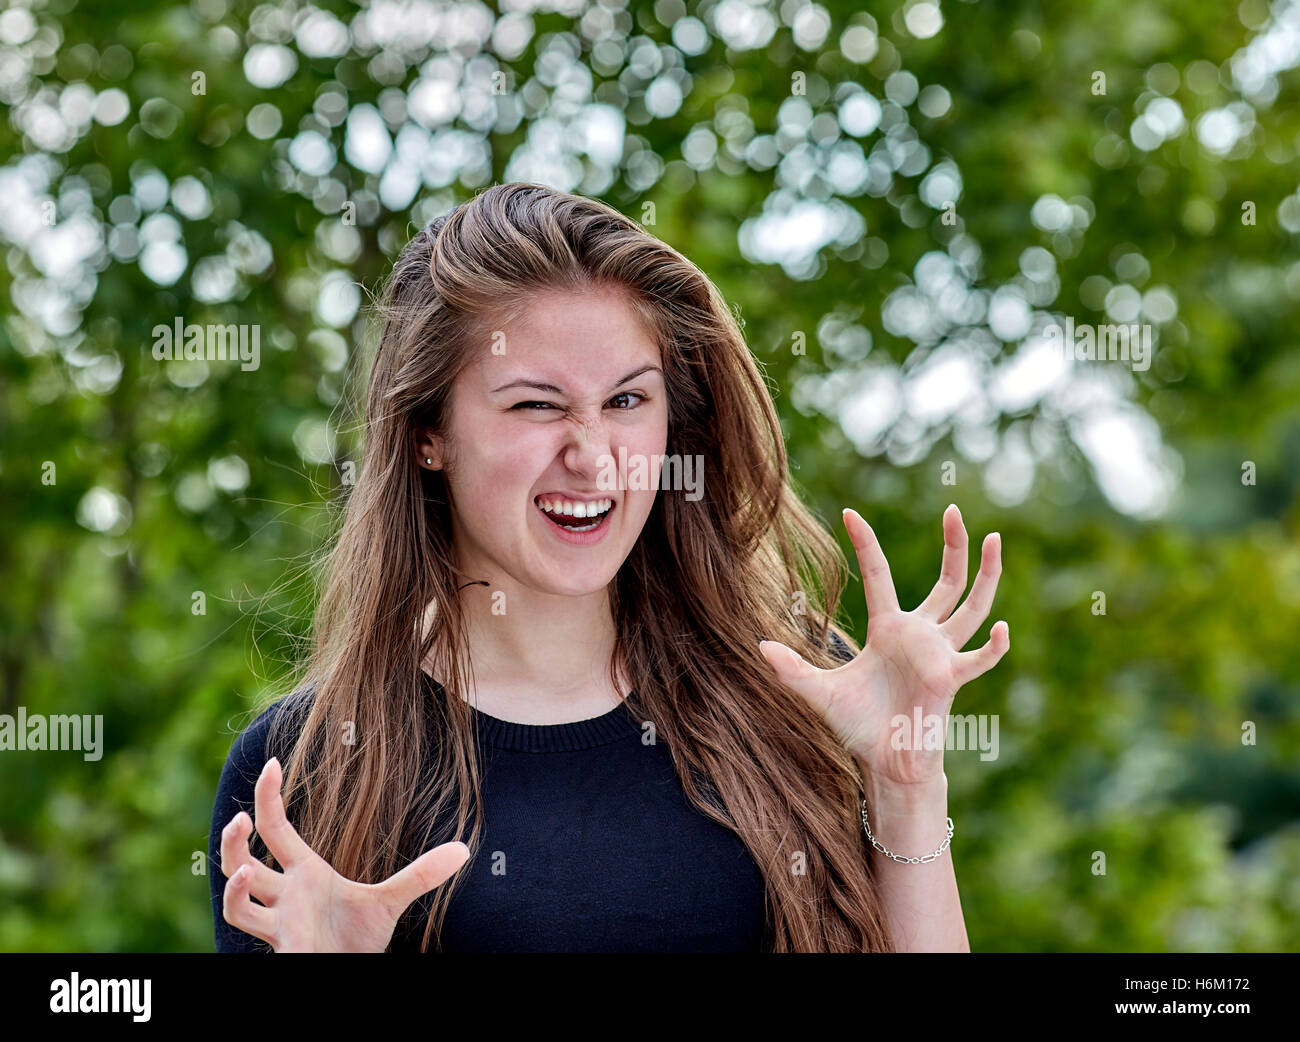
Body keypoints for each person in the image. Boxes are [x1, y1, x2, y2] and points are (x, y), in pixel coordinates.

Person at [208, 182, 1008, 953]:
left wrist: (903, 787)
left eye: (627, 401)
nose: (593, 460)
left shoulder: (805, 695)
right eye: (535, 405)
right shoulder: (305, 768)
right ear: (429, 434)